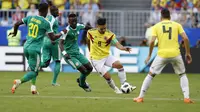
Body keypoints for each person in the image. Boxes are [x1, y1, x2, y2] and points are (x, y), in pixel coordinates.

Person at [133, 9, 194, 103]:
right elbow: (185, 38)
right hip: (175, 54)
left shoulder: (156, 26)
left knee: (151, 75)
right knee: (182, 75)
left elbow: (152, 41)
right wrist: (188, 53)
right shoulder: (177, 25)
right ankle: (186, 98)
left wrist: (149, 55)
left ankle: (140, 97)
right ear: (170, 16)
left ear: (161, 17)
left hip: (162, 55)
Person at [10, 3, 64, 94]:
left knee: (33, 68)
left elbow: (17, 23)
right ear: (46, 10)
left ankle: (33, 87)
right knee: (34, 72)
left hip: (26, 46)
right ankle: (19, 81)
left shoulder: (30, 18)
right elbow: (53, 38)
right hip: (35, 49)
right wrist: (63, 32)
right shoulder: (45, 23)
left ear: (38, 9)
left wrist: (15, 33)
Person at [87, 18, 136, 94]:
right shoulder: (90, 32)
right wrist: (90, 50)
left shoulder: (110, 34)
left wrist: (123, 48)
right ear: (97, 26)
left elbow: (117, 44)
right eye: (101, 28)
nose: (103, 30)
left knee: (119, 65)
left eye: (105, 28)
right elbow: (88, 40)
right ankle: (116, 89)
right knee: (108, 77)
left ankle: (124, 84)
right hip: (96, 59)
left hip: (106, 56)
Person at [59, 13, 93, 92]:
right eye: (72, 21)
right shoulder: (66, 30)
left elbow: (86, 27)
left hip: (77, 53)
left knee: (90, 68)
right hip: (70, 55)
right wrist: (64, 53)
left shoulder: (78, 26)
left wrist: (96, 29)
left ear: (76, 20)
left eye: (75, 20)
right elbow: (60, 43)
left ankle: (81, 79)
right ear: (69, 21)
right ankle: (82, 84)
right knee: (84, 70)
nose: (74, 22)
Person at [41, 5, 61, 86]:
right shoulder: (52, 19)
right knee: (58, 61)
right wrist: (52, 38)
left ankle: (33, 65)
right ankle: (54, 82)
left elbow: (43, 29)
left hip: (45, 41)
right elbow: (50, 29)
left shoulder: (46, 18)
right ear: (53, 12)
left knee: (45, 63)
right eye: (57, 11)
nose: (58, 12)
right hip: (53, 41)